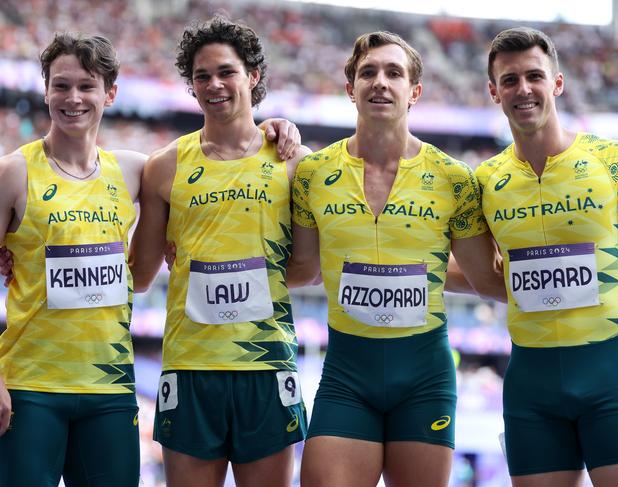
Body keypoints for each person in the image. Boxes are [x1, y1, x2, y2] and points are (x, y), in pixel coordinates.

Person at [288, 31, 505, 487]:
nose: (380, 82)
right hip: (347, 377)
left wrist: (595, 271)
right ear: (351, 89)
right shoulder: (314, 173)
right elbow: (304, 269)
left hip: (424, 379)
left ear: (415, 92)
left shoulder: (453, 178)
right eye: (368, 72)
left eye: (394, 73)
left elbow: (485, 279)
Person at [129, 16, 310, 487]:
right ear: (191, 86)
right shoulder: (164, 166)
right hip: (190, 367)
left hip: (266, 363)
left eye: (226, 72)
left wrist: (257, 275)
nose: (214, 84)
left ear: (252, 76)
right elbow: (141, 273)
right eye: (202, 76)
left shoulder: (293, 161)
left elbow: (309, 268)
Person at [477, 26, 618, 487]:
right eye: (509, 80)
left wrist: (615, 267)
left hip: (611, 377)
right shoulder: (484, 181)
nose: (523, 89)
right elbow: (478, 270)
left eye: (535, 76)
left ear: (557, 82)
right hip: (531, 388)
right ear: (494, 91)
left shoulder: (615, 159)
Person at [0, 32, 145, 487]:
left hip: (111, 389)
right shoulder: (14, 172)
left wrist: (274, 128)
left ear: (111, 93)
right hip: (30, 388)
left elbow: (217, 153)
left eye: (87, 86)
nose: (73, 98)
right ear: (45, 91)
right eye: (61, 85)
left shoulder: (134, 170)